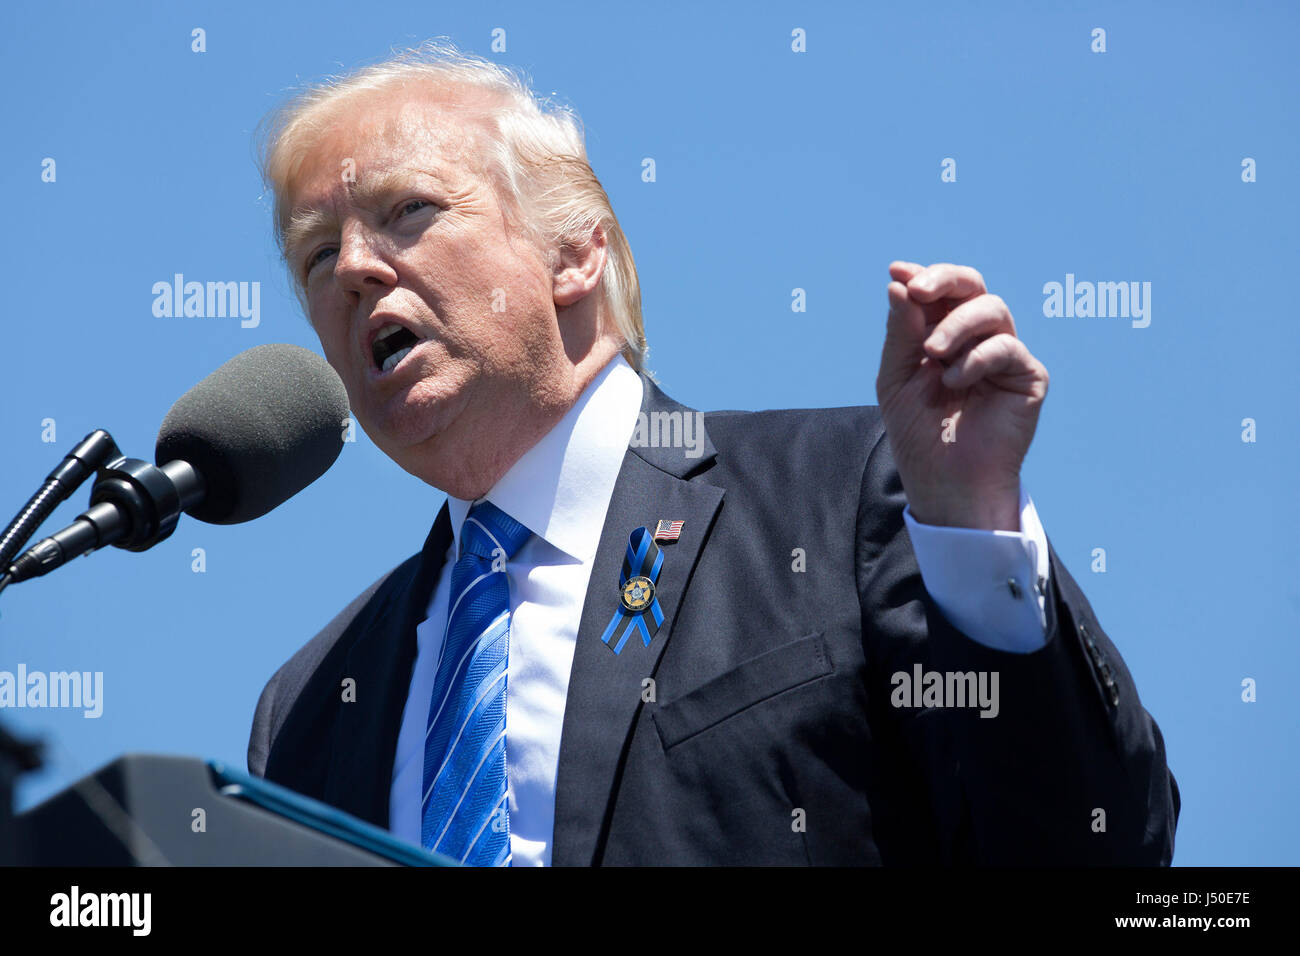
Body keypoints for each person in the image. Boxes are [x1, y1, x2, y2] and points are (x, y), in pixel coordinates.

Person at [247, 42, 1178, 866]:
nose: (358, 268)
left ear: (574, 254)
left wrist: (974, 531)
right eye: (319, 256)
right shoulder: (308, 707)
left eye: (408, 210)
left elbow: (1099, 842)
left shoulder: (846, 491)